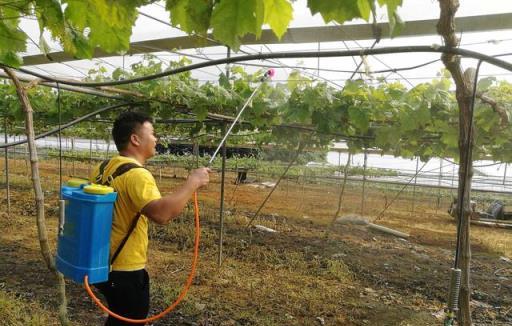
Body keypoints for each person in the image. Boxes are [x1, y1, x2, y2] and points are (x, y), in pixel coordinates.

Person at [90, 111, 210, 325]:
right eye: (152, 133)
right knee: (130, 319)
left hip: (102, 262)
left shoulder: (104, 167)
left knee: (118, 318)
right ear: (135, 139)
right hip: (125, 269)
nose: (156, 139)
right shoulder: (137, 175)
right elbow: (161, 214)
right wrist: (192, 182)